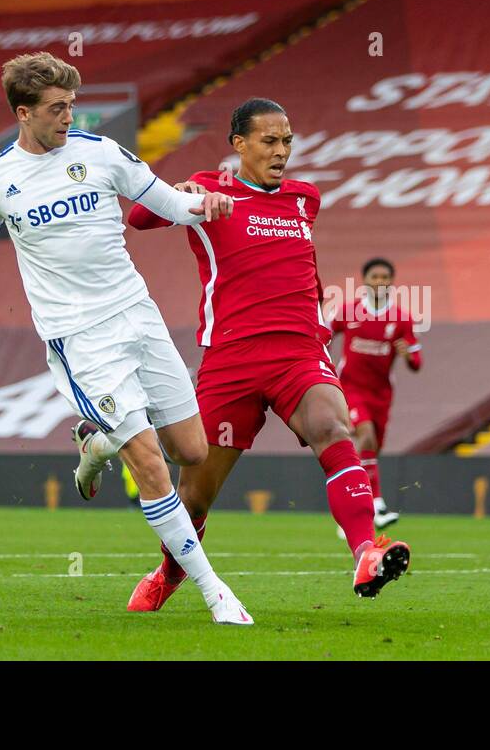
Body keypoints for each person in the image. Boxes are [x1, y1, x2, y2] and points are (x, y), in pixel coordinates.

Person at [0, 52, 252, 625]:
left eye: (72, 104)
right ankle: (216, 590)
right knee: (152, 466)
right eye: (56, 108)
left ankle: (96, 444)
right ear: (24, 112)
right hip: (78, 337)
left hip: (137, 316)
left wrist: (205, 202)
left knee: (192, 451)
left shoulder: (100, 153)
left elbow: (165, 201)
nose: (68, 116)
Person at [124, 97, 411, 611]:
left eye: (288, 141)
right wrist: (180, 195)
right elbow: (139, 218)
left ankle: (366, 551)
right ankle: (169, 573)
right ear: (238, 144)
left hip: (298, 353)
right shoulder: (208, 191)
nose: (282, 151)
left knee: (333, 428)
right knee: (195, 495)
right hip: (230, 360)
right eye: (269, 141)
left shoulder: (305, 199)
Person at [329, 257, 422, 531]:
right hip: (350, 388)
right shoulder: (349, 311)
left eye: (384, 278)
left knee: (370, 450)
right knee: (365, 436)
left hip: (381, 395)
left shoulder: (402, 318)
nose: (380, 282)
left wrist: (408, 356)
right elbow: (322, 335)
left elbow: (417, 363)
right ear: (365, 280)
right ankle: (376, 506)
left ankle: (351, 509)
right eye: (375, 277)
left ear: (391, 282)